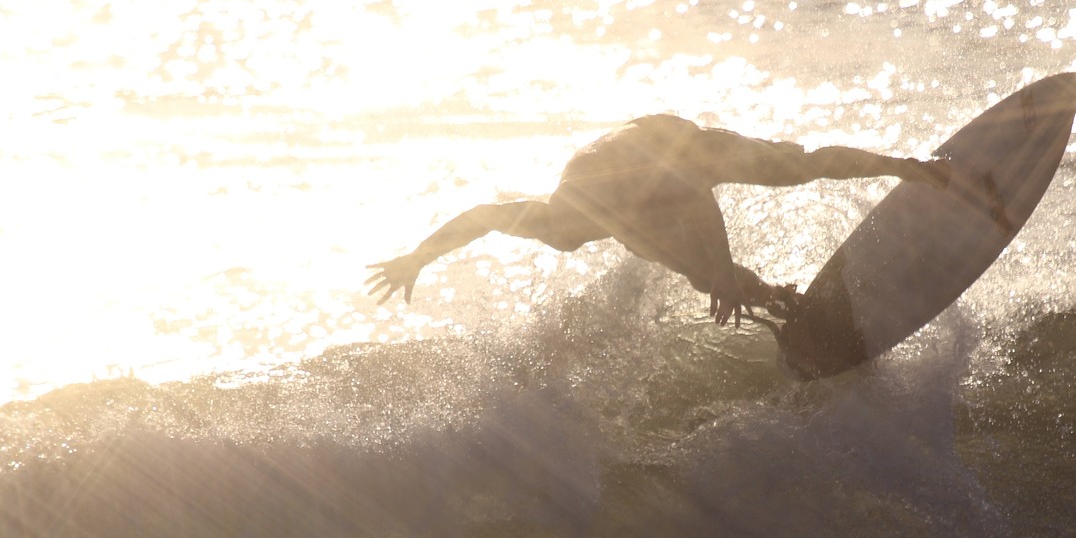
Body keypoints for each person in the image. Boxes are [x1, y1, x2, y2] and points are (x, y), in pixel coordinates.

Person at [365, 114, 950, 328]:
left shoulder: (615, 201)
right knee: (697, 272)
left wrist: (722, 270)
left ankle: (907, 166)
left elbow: (697, 201)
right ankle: (783, 301)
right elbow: (480, 218)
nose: (568, 246)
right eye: (564, 242)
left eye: (569, 239)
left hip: (679, 147)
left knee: (796, 170)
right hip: (640, 187)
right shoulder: (553, 219)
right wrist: (418, 257)